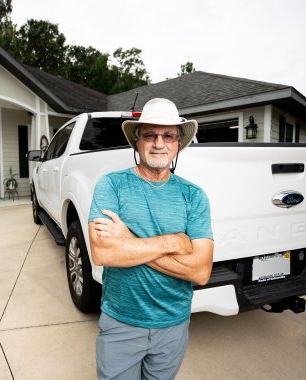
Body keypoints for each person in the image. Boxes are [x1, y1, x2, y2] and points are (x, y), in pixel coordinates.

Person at [88, 98, 214, 379]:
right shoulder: (112, 185)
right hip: (121, 322)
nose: (159, 143)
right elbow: (102, 253)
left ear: (178, 143)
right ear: (137, 141)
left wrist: (128, 241)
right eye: (150, 135)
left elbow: (201, 271)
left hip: (173, 325)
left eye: (168, 135)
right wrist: (172, 242)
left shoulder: (193, 196)